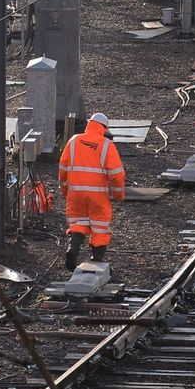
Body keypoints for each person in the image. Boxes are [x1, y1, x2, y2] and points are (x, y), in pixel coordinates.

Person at [59, 112, 126, 270]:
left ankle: (73, 248)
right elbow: (117, 175)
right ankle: (96, 258)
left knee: (78, 223)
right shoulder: (107, 145)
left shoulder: (73, 141)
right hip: (98, 194)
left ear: (89, 125)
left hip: (75, 193)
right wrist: (118, 194)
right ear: (104, 128)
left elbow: (62, 168)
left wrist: (65, 189)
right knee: (100, 225)